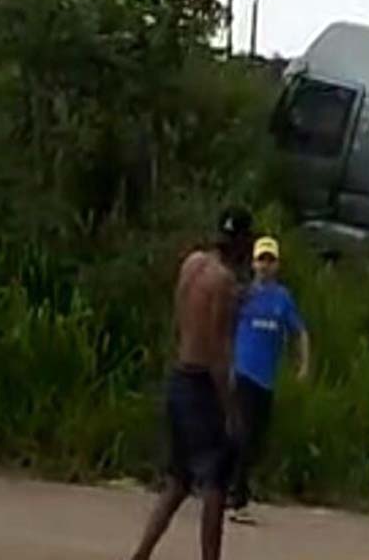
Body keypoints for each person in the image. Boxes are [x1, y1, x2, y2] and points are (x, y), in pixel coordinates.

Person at [127, 206, 254, 560]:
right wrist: (230, 409)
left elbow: (181, 322)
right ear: (242, 242)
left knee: (179, 480)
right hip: (202, 385)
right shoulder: (224, 283)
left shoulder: (192, 264)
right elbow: (219, 351)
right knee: (215, 483)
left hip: (180, 376)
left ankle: (142, 553)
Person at [228, 235, 310, 523]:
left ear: (276, 265)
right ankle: (237, 498)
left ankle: (229, 484)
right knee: (243, 434)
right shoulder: (243, 295)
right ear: (253, 264)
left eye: (270, 260)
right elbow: (225, 326)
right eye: (261, 260)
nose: (265, 265)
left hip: (266, 379)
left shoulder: (282, 298)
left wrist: (303, 365)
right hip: (243, 373)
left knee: (256, 440)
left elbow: (299, 332)